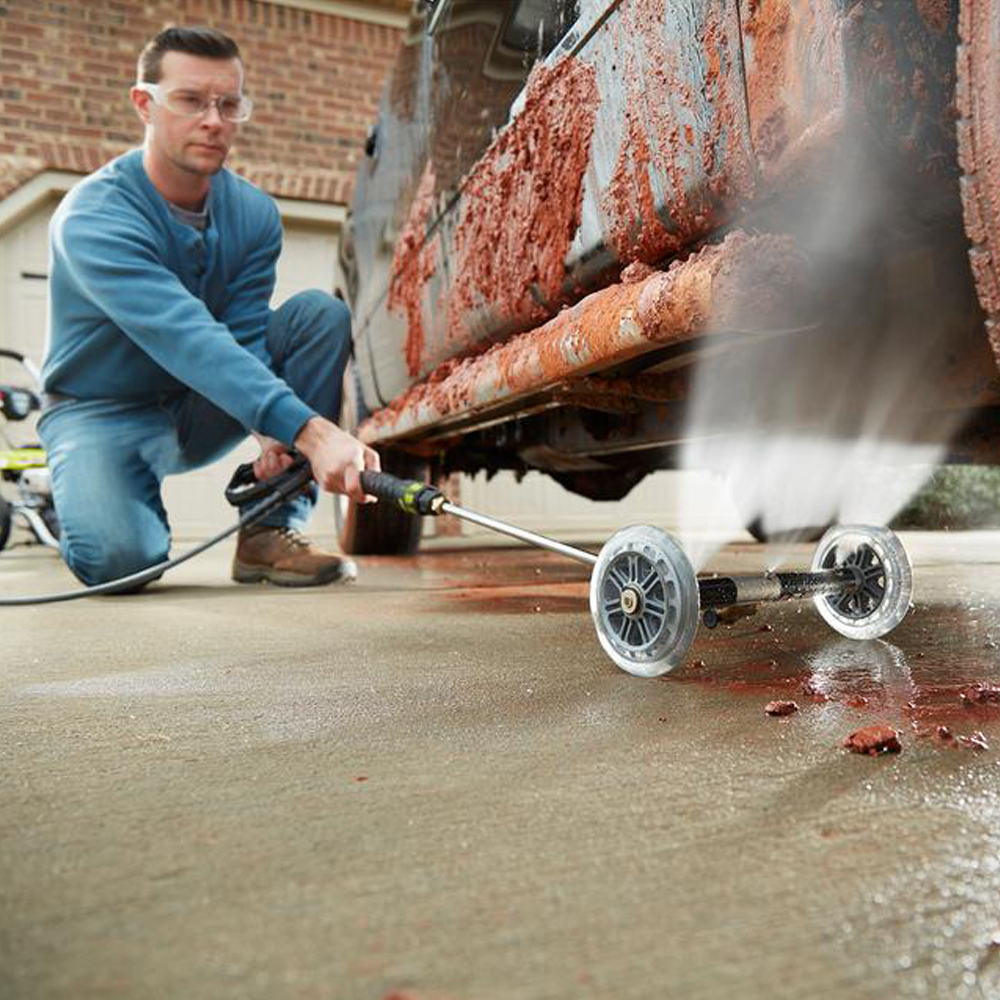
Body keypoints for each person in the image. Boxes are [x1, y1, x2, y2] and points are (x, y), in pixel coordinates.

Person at [39, 25, 380, 589]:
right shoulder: (93, 217)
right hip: (100, 408)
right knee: (123, 563)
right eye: (191, 101)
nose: (214, 120)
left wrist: (272, 432)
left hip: (196, 405)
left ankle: (270, 529)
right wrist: (312, 433)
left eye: (229, 104)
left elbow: (243, 332)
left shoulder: (253, 214)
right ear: (144, 104)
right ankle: (84, 491)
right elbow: (185, 335)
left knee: (320, 315)